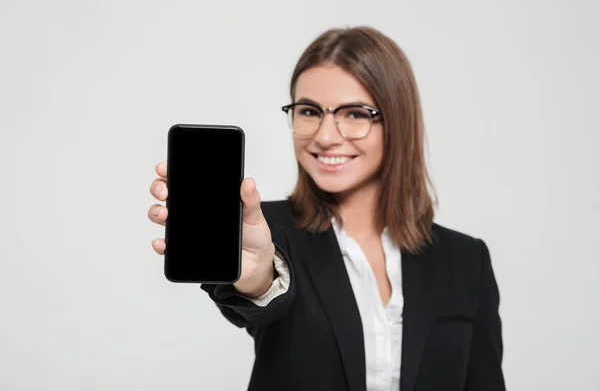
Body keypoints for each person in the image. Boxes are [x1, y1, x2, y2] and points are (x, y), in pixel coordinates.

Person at [147, 26, 505, 391]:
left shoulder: (466, 260)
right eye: (308, 111)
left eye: (353, 113)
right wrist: (256, 278)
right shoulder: (265, 232)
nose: (325, 135)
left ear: (397, 120)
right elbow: (262, 294)